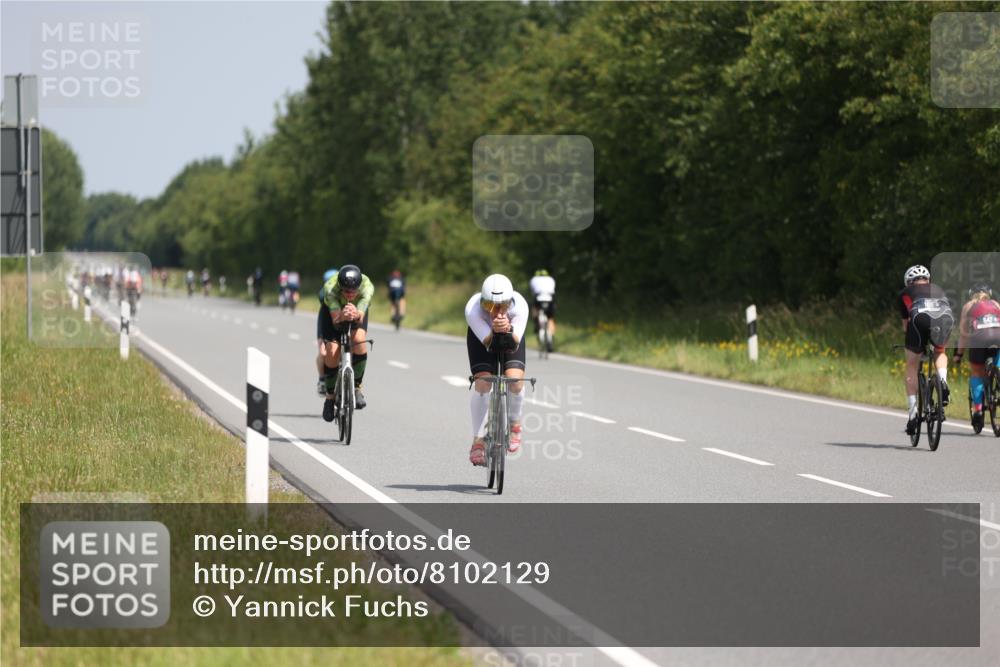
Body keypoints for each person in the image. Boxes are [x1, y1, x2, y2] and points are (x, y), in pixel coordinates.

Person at [465, 274, 529, 466]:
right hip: (482, 336)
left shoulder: (520, 307)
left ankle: (515, 424)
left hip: (511, 335)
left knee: (515, 381)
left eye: (503, 306)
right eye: (490, 306)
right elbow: (488, 342)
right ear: (482, 302)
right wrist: (493, 329)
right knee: (483, 383)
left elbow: (515, 341)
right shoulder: (473, 309)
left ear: (511, 302)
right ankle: (478, 441)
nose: (496, 311)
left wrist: (508, 328)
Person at [897, 264, 954, 435]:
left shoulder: (904, 293)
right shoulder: (938, 288)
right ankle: (942, 381)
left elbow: (907, 326)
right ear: (928, 280)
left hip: (919, 315)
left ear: (909, 282)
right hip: (944, 316)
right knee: (940, 351)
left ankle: (913, 414)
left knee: (912, 365)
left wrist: (914, 347)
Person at [319, 265, 374, 418]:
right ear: (340, 287)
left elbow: (361, 314)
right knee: (332, 350)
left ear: (359, 287)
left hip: (356, 311)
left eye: (353, 291)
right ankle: (329, 398)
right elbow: (336, 320)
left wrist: (356, 314)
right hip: (333, 313)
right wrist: (342, 316)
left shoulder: (367, 287)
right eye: (346, 291)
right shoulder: (331, 289)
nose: (350, 295)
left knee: (359, 339)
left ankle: (357, 388)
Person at [952, 284, 1000, 430]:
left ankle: (978, 409)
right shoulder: (996, 304)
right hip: (998, 338)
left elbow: (963, 335)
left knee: (977, 373)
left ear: (971, 294)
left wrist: (958, 355)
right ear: (989, 295)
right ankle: (998, 371)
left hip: (979, 340)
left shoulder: (968, 306)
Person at [315, 268, 340, 394]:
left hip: (341, 319)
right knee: (323, 352)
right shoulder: (324, 293)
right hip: (326, 319)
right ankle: (322, 379)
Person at [528, 269, 557, 351]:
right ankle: (550, 339)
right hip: (550, 298)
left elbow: (533, 292)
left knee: (534, 309)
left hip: (538, 298)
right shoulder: (551, 279)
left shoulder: (533, 279)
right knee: (551, 318)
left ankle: (536, 323)